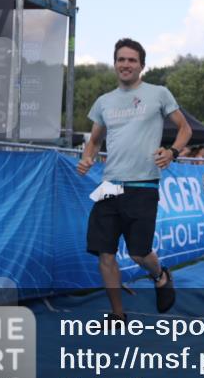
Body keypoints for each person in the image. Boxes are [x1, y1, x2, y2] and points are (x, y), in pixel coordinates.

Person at [77, 38, 192, 322]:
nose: (126, 64)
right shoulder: (104, 102)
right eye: (121, 59)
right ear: (115, 63)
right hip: (109, 186)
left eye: (131, 60)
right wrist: (87, 156)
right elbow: (93, 141)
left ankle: (160, 274)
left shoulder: (159, 93)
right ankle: (118, 315)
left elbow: (185, 129)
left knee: (140, 254)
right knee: (105, 254)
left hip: (143, 186)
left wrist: (172, 151)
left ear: (142, 65)